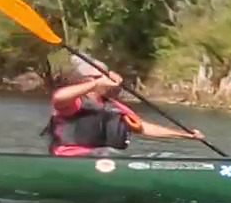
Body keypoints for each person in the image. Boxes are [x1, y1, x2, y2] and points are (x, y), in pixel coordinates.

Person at [45, 54, 202, 156]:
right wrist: (96, 83)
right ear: (87, 80)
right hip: (71, 157)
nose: (109, 83)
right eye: (102, 78)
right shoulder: (75, 102)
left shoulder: (113, 106)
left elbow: (143, 128)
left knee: (164, 156)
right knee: (107, 154)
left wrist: (186, 135)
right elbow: (58, 97)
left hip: (102, 157)